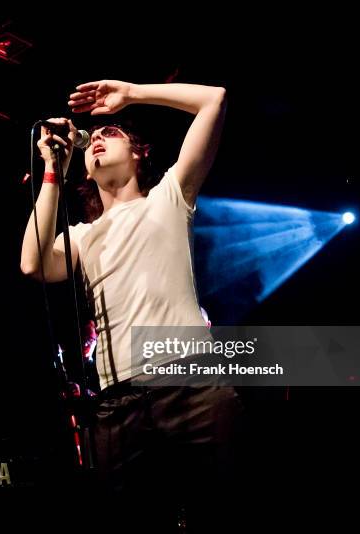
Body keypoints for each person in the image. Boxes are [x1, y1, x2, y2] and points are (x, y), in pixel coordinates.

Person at [21, 79, 244, 530]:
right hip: (117, 400)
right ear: (85, 169)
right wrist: (52, 168)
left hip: (191, 384)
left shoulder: (170, 195)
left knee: (221, 513)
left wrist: (133, 93)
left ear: (140, 154)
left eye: (112, 133)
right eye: (93, 139)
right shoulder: (81, 237)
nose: (98, 138)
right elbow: (33, 264)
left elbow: (214, 99)